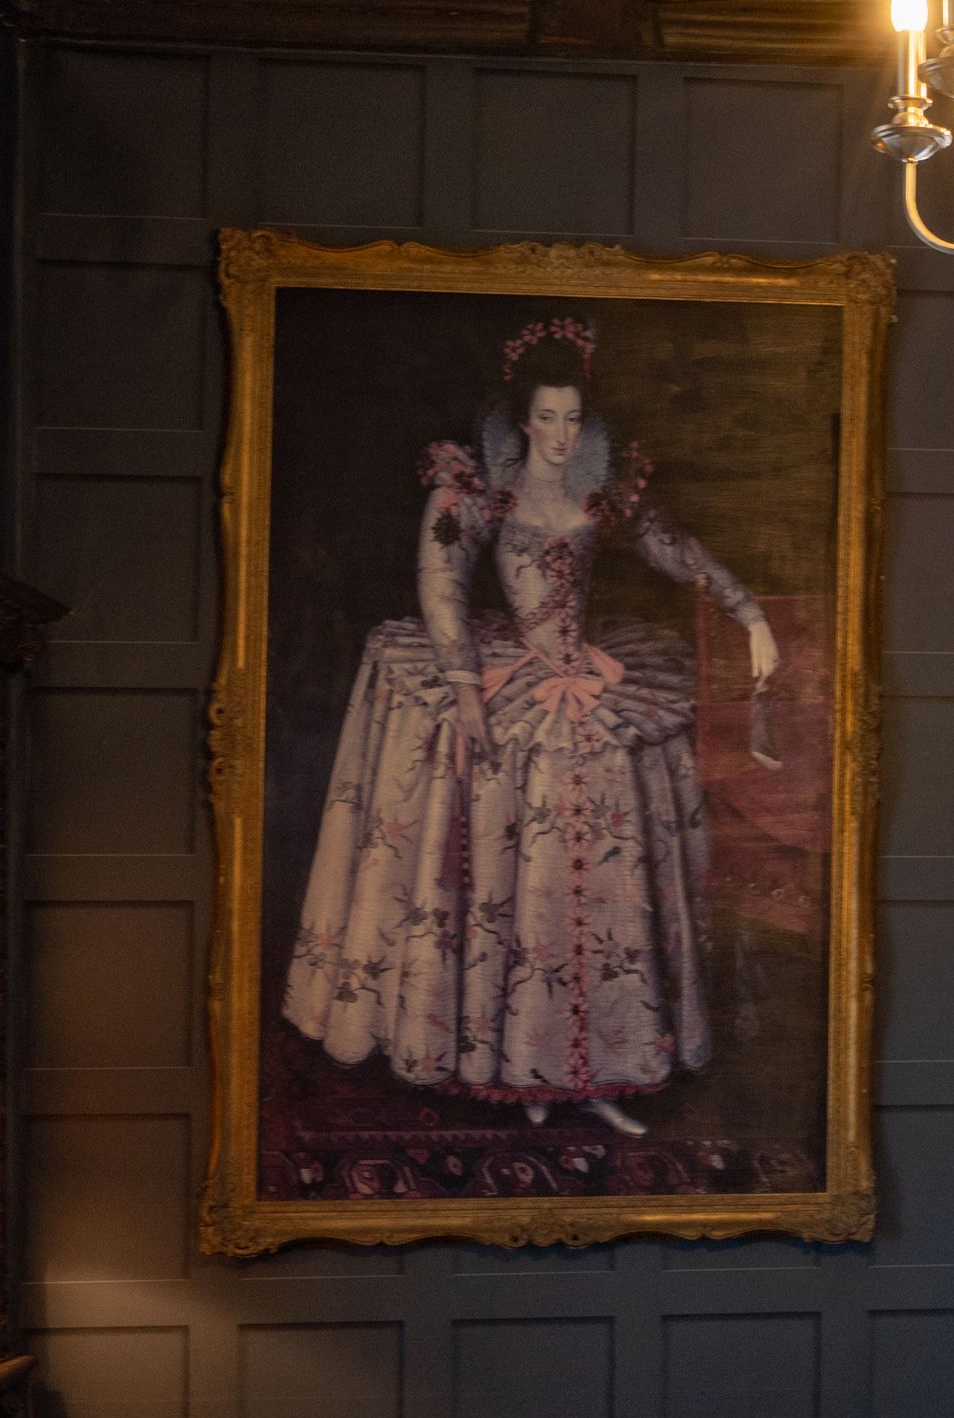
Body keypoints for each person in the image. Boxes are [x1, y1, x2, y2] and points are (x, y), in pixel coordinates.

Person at [281, 314, 778, 1136]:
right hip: (504, 680)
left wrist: (747, 609)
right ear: (521, 418)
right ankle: (522, 1068)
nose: (559, 434)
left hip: (586, 673)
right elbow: (440, 583)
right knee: (523, 877)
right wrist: (467, 686)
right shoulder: (474, 483)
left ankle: (596, 1071)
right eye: (546, 418)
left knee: (604, 866)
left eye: (572, 418)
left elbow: (673, 548)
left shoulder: (601, 482)